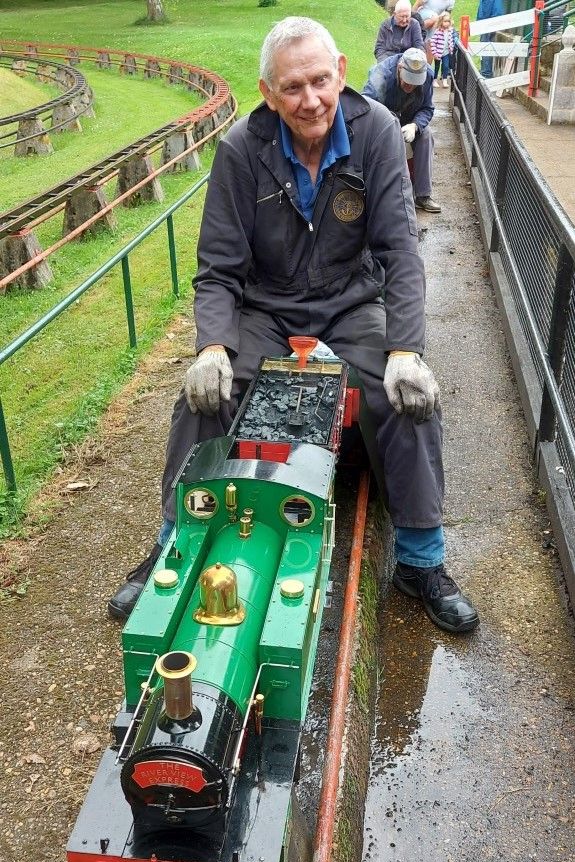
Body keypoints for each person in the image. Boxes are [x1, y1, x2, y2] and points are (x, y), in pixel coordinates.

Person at [108, 17, 479, 635]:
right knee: (203, 396)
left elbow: (399, 251)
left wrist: (406, 349)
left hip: (350, 301)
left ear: (339, 69)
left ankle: (421, 560)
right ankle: (173, 541)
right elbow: (219, 270)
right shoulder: (237, 153)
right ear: (267, 92)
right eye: (292, 89)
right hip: (268, 307)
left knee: (408, 398)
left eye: (319, 81)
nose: (310, 101)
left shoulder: (379, 132)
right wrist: (214, 346)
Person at [362, 47, 441, 214]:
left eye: (415, 81)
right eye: (408, 79)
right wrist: (389, 122)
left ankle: (423, 195)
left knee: (426, 135)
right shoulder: (381, 74)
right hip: (384, 119)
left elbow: (427, 108)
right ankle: (385, 195)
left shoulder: (428, 75)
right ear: (400, 67)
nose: (411, 85)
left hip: (410, 119)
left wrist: (415, 125)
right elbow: (366, 105)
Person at [476, 0, 503, 79]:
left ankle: (486, 73)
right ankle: (485, 71)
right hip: (485, 23)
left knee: (486, 47)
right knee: (484, 47)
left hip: (488, 24)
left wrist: (492, 24)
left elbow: (497, 11)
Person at [430, 11, 456, 87]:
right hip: (438, 52)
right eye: (445, 21)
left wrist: (451, 48)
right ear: (441, 22)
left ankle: (444, 80)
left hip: (446, 52)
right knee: (437, 67)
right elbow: (433, 42)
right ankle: (434, 80)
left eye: (448, 21)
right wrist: (434, 52)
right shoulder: (438, 31)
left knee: (445, 66)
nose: (447, 23)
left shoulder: (450, 30)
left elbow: (451, 39)